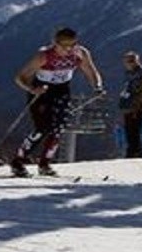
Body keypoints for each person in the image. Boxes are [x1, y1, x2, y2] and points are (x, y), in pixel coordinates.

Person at [10, 27, 105, 177]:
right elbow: (20, 77)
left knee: (58, 128)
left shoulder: (81, 53)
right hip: (42, 92)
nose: (68, 49)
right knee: (42, 128)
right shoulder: (44, 56)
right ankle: (18, 161)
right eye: (64, 45)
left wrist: (97, 86)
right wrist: (32, 89)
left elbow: (91, 72)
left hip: (62, 90)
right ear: (55, 43)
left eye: (72, 45)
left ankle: (45, 164)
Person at [118, 51, 142, 158]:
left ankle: (136, 152)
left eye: (131, 61)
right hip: (128, 106)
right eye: (127, 61)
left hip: (138, 106)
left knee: (135, 129)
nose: (129, 63)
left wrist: (137, 104)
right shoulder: (128, 73)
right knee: (129, 129)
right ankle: (132, 151)